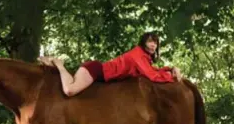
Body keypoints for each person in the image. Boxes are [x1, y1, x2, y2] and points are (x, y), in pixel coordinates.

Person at [38, 32, 182, 97]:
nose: (153, 45)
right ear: (143, 43)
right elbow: (152, 75)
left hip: (100, 74)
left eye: (155, 43)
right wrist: (172, 78)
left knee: (72, 85)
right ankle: (59, 64)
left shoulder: (144, 59)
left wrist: (170, 68)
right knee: (70, 90)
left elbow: (152, 70)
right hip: (96, 70)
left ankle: (53, 67)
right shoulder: (138, 54)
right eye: (150, 41)